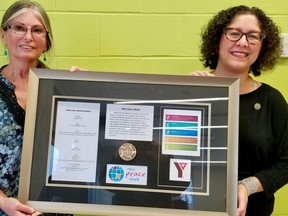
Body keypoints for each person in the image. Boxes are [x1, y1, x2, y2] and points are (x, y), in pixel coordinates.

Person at [191, 5, 288, 216]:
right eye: (234, 33)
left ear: (262, 47)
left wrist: (247, 186)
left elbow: (286, 162)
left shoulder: (272, 100)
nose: (243, 42)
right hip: (193, 207)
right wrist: (181, 97)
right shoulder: (190, 91)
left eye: (253, 36)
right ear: (217, 41)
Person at [0, 1, 73, 215]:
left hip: (54, 209)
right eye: (19, 28)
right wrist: (3, 202)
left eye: (37, 30)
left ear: (47, 42)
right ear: (3, 35)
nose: (28, 37)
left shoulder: (64, 90)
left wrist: (88, 89)